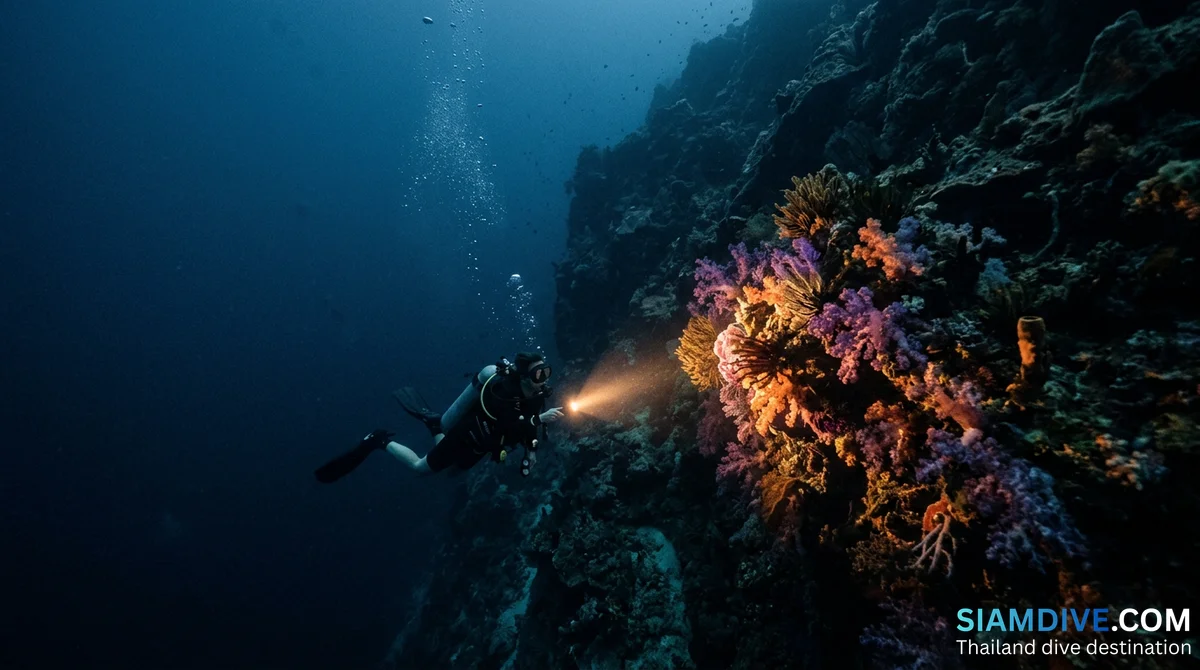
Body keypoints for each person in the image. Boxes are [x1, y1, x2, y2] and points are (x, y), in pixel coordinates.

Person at [314, 352, 564, 482]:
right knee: (421, 468)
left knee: (453, 472)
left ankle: (435, 426)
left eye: (546, 372)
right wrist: (540, 420)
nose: (544, 379)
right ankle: (379, 440)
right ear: (522, 376)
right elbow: (510, 421)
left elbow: (526, 428)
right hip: (465, 436)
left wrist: (531, 452)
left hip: (483, 445)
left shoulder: (536, 397)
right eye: (539, 374)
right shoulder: (504, 391)